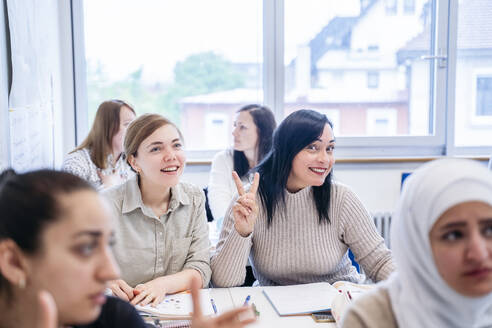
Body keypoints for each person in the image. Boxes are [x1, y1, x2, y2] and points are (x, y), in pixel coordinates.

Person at [0, 169, 255, 328]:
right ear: (13, 262)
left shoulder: (116, 318)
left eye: (108, 245)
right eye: (86, 248)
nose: (110, 270)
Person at [211, 109, 395, 287]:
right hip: (275, 308)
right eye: (313, 147)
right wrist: (241, 232)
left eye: (330, 148)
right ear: (287, 150)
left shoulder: (342, 198)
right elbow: (224, 282)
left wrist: (413, 292)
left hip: (336, 304)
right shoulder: (250, 199)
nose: (325, 159)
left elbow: (379, 262)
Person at [340, 158, 492, 328]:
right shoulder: (370, 319)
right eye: (454, 235)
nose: (479, 253)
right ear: (418, 247)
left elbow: (378, 260)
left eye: (489, 230)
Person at [104, 114, 211, 307]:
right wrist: (104, 283)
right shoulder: (104, 205)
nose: (171, 156)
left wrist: (162, 285)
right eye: (156, 148)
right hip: (124, 313)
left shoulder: (195, 198)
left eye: (176, 145)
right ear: (134, 162)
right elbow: (79, 266)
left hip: (178, 312)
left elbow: (201, 268)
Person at [208, 104, 276, 223]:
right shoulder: (223, 159)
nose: (234, 132)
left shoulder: (278, 162)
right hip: (231, 229)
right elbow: (218, 203)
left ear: (263, 132)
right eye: (235, 125)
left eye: (242, 127)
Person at [62, 99, 136, 189]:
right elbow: (66, 201)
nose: (134, 131)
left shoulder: (129, 164)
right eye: (127, 124)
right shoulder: (76, 163)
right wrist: (109, 188)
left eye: (134, 125)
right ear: (108, 128)